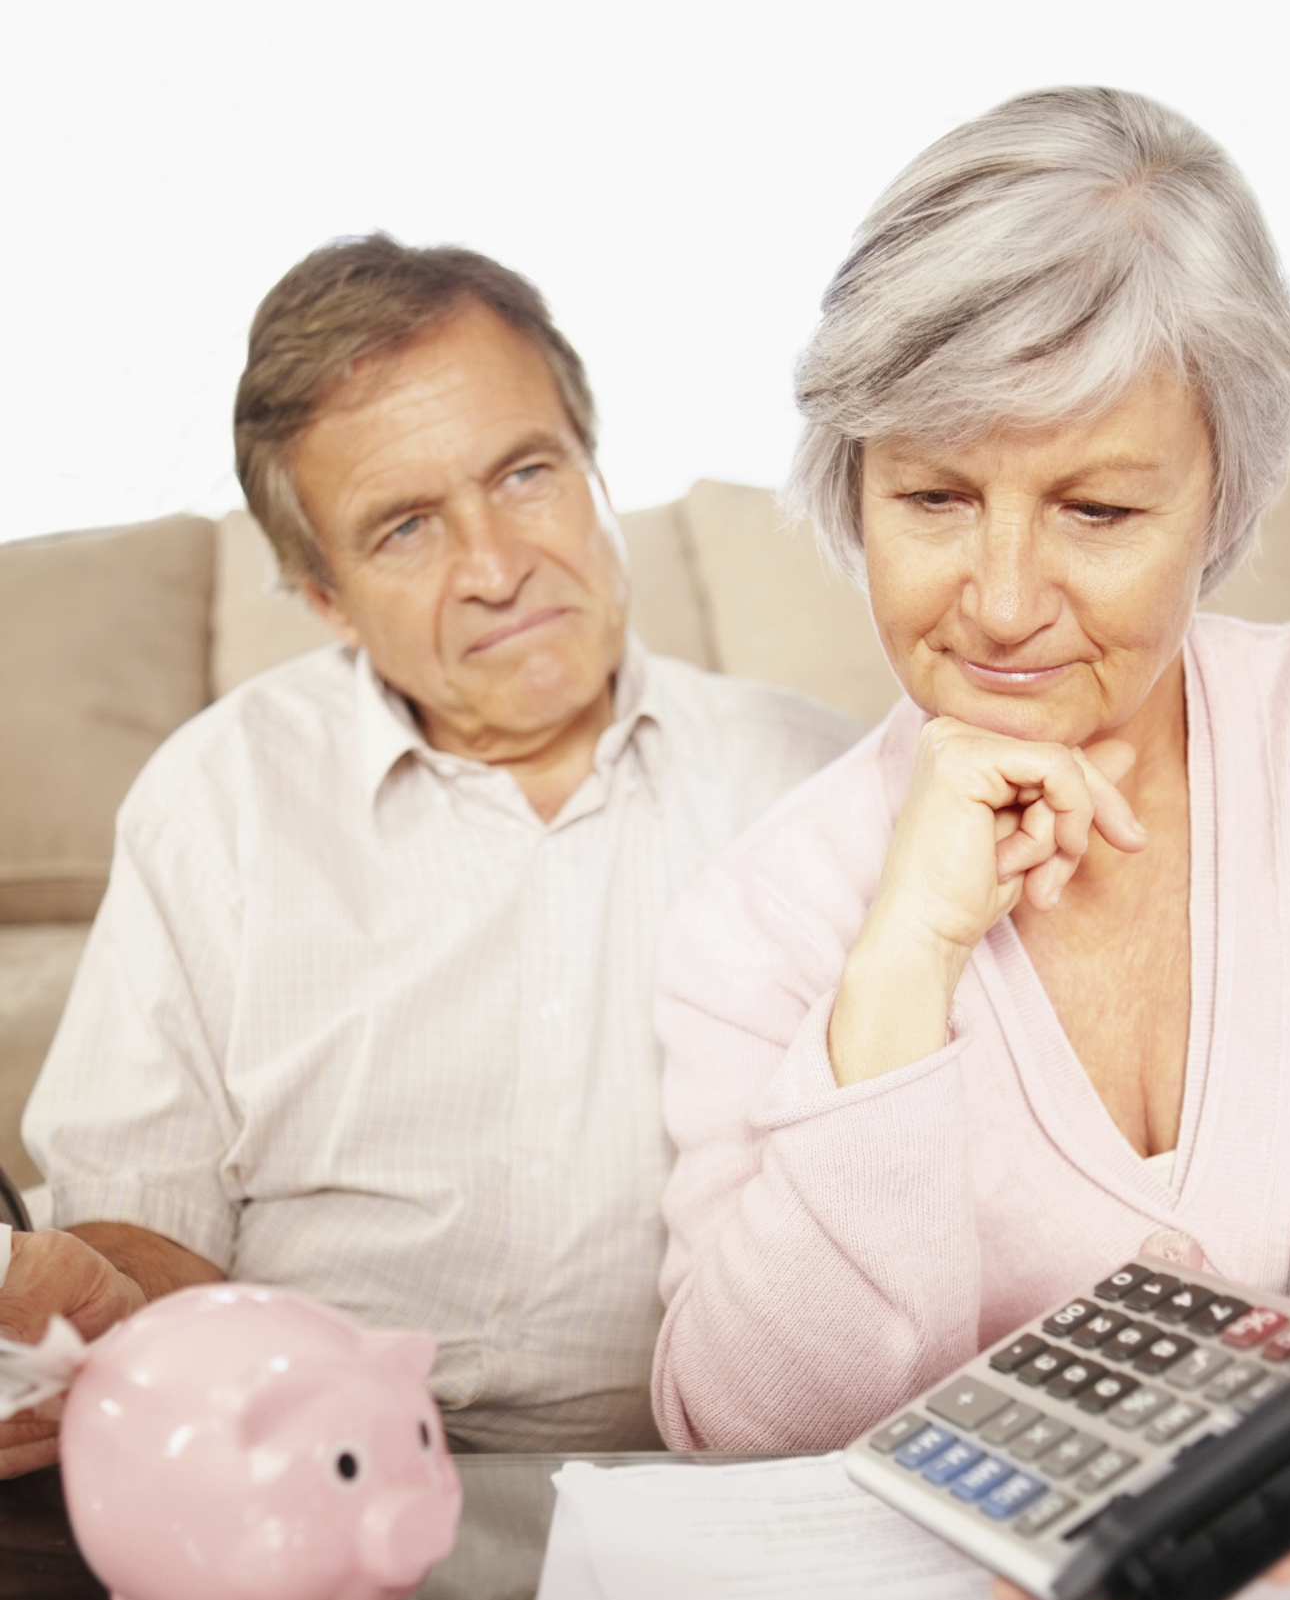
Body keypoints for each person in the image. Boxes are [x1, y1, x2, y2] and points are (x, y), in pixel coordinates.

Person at [651, 88, 1290, 1600]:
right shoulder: (759, 919)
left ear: (1222, 500)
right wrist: (901, 967)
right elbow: (737, 1432)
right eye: (932, 497)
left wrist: (1263, 1474)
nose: (1000, 603)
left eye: (1097, 507)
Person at [0, 236, 857, 1478]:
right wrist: (92, 1313)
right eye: (404, 527)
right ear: (325, 596)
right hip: (305, 1482)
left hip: (709, 1488)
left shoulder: (814, 786)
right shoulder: (219, 794)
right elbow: (145, 1214)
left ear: (593, 468)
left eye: (523, 473)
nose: (498, 567)